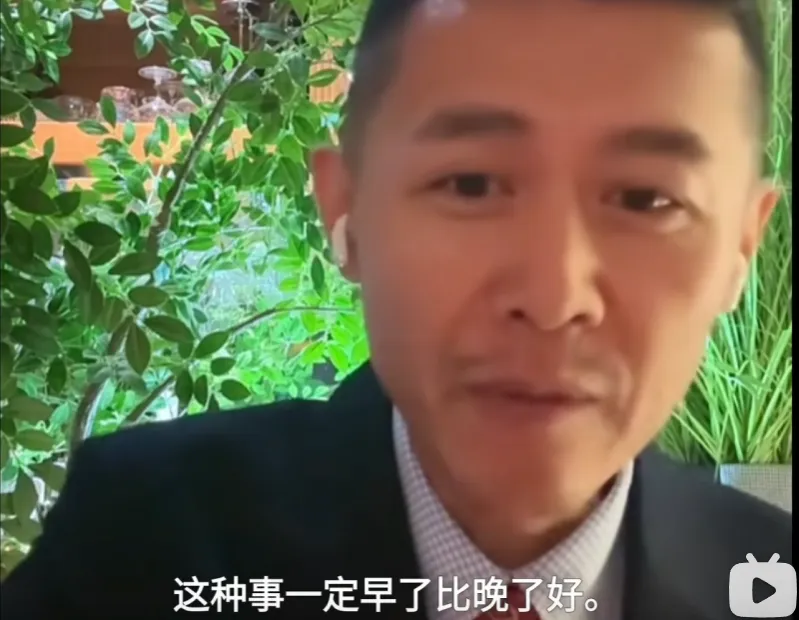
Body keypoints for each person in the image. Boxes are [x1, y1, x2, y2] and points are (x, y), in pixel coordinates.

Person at [2, 0, 792, 618]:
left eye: (646, 199)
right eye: (470, 184)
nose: (553, 300)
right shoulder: (138, 545)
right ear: (345, 212)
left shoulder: (767, 580)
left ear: (739, 250)